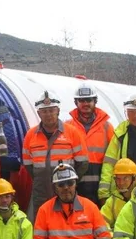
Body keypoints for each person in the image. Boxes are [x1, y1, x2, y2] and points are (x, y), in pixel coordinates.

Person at [22, 91, 89, 219]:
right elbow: (28, 165)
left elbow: (83, 163)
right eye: (44, 111)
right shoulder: (30, 135)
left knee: (67, 219)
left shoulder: (72, 133)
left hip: (65, 189)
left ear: (58, 111)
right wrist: (43, 177)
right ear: (39, 113)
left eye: (52, 110)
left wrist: (69, 182)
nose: (48, 114)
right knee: (41, 221)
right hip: (40, 191)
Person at [65, 83, 114, 205]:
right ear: (76, 103)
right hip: (76, 184)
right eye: (81, 100)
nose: (85, 104)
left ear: (95, 101)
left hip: (100, 185)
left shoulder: (107, 127)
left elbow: (114, 157)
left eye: (89, 100)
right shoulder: (67, 127)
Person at [100, 158, 136, 229]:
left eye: (125, 178)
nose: (121, 183)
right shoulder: (113, 201)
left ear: (135, 178)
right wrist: (111, 236)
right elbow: (101, 221)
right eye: (118, 179)